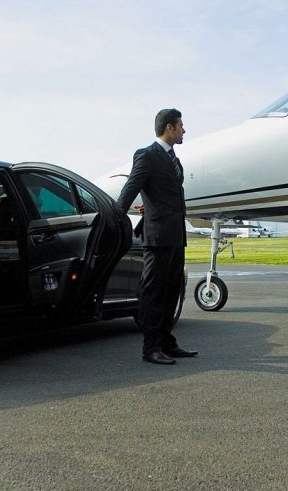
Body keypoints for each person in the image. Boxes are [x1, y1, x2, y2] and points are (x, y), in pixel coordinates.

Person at [116, 108, 198, 365]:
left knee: (172, 291)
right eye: (181, 125)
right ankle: (150, 348)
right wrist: (117, 219)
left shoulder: (174, 159)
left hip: (175, 235)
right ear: (169, 128)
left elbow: (162, 194)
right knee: (154, 293)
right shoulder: (147, 155)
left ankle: (167, 343)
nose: (184, 130)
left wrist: (150, 206)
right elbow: (132, 188)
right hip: (157, 237)